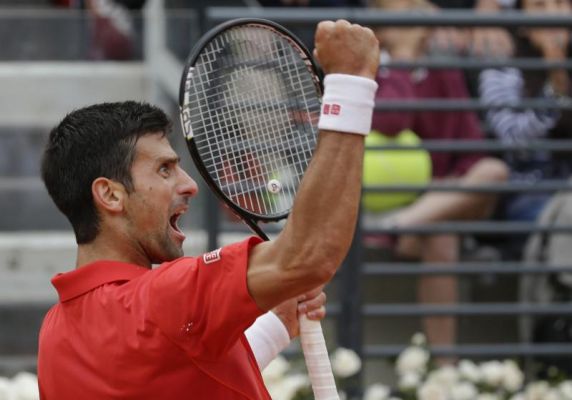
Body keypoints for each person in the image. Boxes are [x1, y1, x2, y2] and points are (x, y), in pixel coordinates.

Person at [37, 20, 381, 399]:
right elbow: (310, 256)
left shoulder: (56, 333)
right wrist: (351, 82)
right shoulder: (162, 301)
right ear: (111, 195)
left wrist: (277, 324)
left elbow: (177, 373)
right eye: (164, 169)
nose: (188, 184)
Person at [369, 0, 509, 357]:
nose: (413, 16)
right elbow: (390, 122)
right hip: (395, 203)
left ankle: (399, 226)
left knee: (494, 171)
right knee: (442, 236)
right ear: (380, 28)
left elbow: (472, 148)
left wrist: (447, 186)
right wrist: (401, 57)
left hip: (444, 196)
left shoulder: (442, 68)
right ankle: (446, 371)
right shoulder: (372, 68)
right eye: (399, 11)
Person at [479, 0, 572, 233]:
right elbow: (514, 137)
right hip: (529, 192)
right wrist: (555, 74)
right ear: (522, 23)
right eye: (540, 5)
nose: (552, 15)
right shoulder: (501, 70)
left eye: (561, 3)